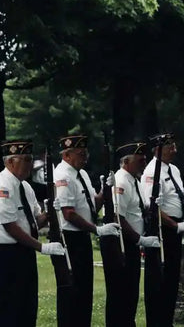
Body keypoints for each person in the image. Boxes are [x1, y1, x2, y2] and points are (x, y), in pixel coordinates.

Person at [0, 139, 65, 327]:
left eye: (30, 159)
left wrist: (50, 212)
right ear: (10, 162)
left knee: (27, 308)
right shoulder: (1, 187)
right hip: (3, 255)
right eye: (25, 160)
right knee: (7, 311)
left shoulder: (25, 187)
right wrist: (41, 247)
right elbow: (10, 226)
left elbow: (34, 221)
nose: (29, 165)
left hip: (23, 253)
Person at [53, 134, 119, 327]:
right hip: (70, 239)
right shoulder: (63, 175)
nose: (85, 157)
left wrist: (103, 190)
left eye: (86, 153)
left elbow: (91, 207)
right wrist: (96, 229)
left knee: (84, 292)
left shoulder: (80, 173)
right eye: (81, 154)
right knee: (72, 293)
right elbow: (69, 214)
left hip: (82, 237)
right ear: (67, 155)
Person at [141, 133, 184, 327]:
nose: (174, 150)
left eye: (174, 146)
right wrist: (175, 225)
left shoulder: (173, 169)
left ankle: (167, 321)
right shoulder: (151, 172)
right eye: (169, 147)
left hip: (175, 228)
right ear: (158, 149)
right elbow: (151, 207)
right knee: (159, 280)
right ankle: (157, 322)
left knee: (172, 280)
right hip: (162, 229)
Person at [101, 141, 160, 327]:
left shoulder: (134, 180)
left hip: (132, 243)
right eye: (140, 160)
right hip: (120, 243)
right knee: (120, 293)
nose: (144, 163)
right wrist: (140, 239)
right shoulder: (121, 181)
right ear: (126, 162)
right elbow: (118, 217)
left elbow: (138, 209)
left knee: (131, 292)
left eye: (144, 159)